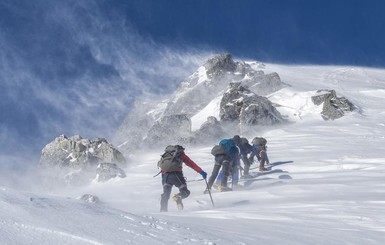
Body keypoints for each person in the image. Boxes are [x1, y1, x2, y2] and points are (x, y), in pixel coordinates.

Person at [158, 145, 207, 212]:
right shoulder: (180, 154)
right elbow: (191, 163)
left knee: (166, 194)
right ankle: (178, 197)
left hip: (165, 176)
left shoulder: (166, 154)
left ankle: (163, 211)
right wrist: (201, 172)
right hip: (177, 175)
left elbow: (161, 166)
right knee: (185, 192)